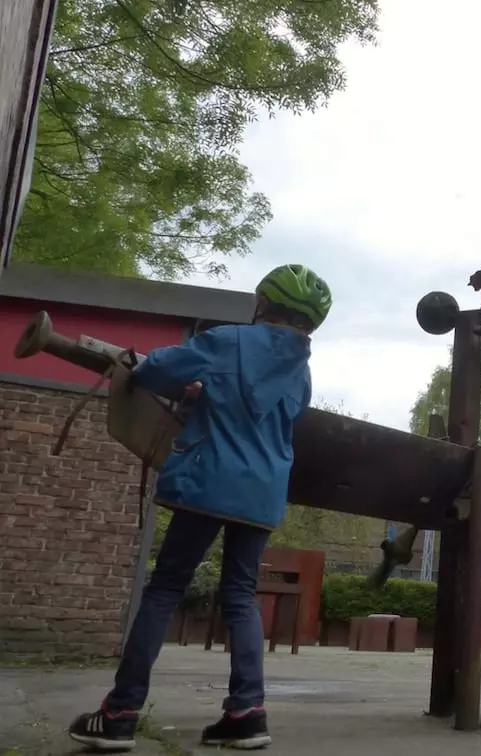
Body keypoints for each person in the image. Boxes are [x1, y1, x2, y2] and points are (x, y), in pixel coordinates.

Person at [68, 265, 332, 752]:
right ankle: (247, 714)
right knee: (240, 596)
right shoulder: (302, 370)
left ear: (263, 303)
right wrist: (211, 396)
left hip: (210, 480)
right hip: (262, 493)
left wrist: (189, 388)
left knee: (165, 588)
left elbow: (158, 370)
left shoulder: (230, 341)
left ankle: (120, 713)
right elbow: (272, 416)